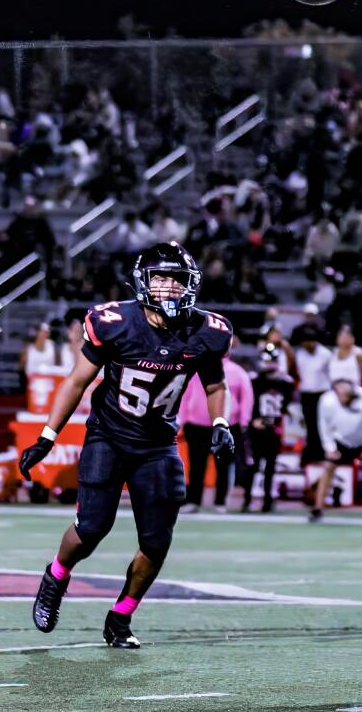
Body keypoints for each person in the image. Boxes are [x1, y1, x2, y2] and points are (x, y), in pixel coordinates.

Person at [20, 242, 234, 649]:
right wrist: (47, 437)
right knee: (91, 529)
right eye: (161, 278)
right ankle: (56, 576)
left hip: (157, 445)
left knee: (156, 543)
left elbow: (215, 384)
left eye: (178, 279)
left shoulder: (207, 331)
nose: (170, 288)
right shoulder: (116, 321)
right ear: (144, 281)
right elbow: (76, 381)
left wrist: (221, 421)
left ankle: (120, 617)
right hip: (109, 436)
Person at [179, 334, 253, 512]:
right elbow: (184, 393)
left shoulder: (237, 372)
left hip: (227, 425)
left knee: (223, 465)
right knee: (196, 465)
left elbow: (246, 397)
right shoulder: (197, 369)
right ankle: (193, 500)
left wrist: (244, 421)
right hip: (196, 424)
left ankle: (220, 501)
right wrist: (182, 418)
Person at [310, 378, 362, 523]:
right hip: (341, 440)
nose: (342, 397)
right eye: (339, 394)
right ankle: (317, 509)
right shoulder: (326, 401)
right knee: (328, 467)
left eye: (346, 394)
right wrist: (330, 448)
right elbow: (323, 425)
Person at [245, 344, 295, 513]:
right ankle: (248, 499)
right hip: (259, 427)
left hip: (272, 428)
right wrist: (252, 420)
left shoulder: (283, 382)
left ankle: (266, 500)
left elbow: (285, 407)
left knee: (269, 467)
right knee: (254, 465)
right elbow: (249, 403)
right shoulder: (256, 381)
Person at [292, 326, 333, 465]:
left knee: (322, 425)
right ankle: (311, 453)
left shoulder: (326, 354)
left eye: (312, 341)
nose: (310, 344)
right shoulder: (300, 355)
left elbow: (331, 374)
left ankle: (323, 453)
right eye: (306, 342)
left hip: (322, 393)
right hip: (307, 394)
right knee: (310, 425)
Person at [328, 324, 362, 389]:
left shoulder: (358, 352)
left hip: (352, 389)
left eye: (347, 336)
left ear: (352, 338)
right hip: (335, 388)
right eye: (342, 336)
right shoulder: (334, 352)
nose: (344, 339)